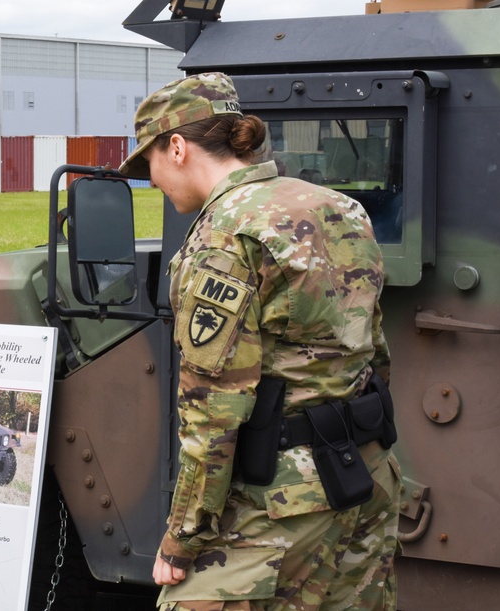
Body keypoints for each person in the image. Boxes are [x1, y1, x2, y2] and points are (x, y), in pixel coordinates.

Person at [118, 73, 400, 610]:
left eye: (148, 163)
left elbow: (212, 412)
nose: (151, 180)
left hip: (280, 504)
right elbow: (374, 351)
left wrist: (182, 541)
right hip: (366, 477)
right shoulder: (340, 207)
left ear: (176, 147)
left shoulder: (226, 236)